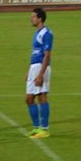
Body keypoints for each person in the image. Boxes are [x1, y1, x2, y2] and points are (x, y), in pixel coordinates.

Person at [26, 8, 53, 139]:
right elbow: (35, 52)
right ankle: (36, 128)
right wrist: (29, 71)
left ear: (40, 18)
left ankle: (45, 129)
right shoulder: (37, 33)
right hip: (34, 67)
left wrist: (40, 74)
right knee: (29, 98)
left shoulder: (47, 33)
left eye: (34, 17)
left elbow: (47, 55)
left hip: (41, 68)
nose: (31, 19)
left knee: (42, 96)